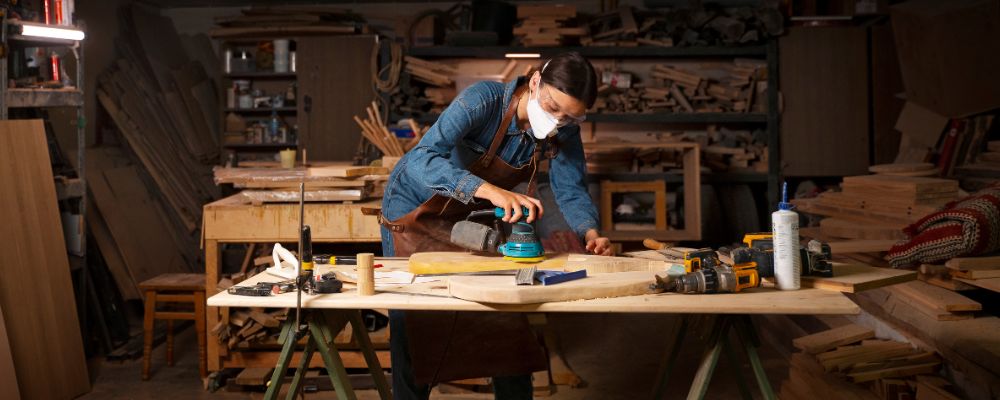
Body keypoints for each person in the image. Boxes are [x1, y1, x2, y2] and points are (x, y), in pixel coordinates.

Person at [377, 52, 611, 400]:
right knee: (414, 323)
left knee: (504, 318)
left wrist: (590, 233)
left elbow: (571, 188)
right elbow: (421, 159)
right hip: (414, 211)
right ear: (534, 81)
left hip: (468, 218)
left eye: (569, 116)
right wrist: (489, 191)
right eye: (551, 105)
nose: (557, 120)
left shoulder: (564, 129)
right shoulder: (481, 101)